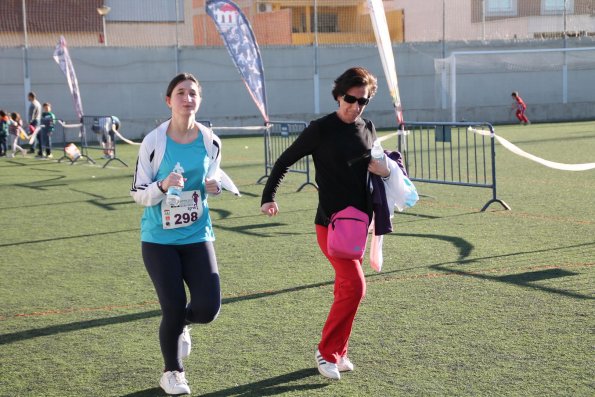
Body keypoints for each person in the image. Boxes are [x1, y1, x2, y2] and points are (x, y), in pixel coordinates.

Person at [260, 66, 390, 380]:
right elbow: (284, 160)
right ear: (338, 95)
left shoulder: (368, 127)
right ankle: (326, 352)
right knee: (356, 288)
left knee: (346, 288)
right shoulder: (321, 129)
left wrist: (383, 170)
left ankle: (339, 352)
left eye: (363, 101)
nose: (356, 105)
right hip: (331, 225)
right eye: (350, 98)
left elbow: (379, 169)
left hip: (359, 224)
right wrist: (269, 196)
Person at [130, 72, 224, 396]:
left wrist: (215, 187)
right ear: (169, 100)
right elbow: (138, 193)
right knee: (173, 306)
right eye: (180, 93)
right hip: (159, 240)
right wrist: (162, 185)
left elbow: (212, 181)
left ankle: (182, 325)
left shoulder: (211, 140)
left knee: (208, 308)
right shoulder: (154, 142)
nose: (187, 99)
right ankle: (172, 372)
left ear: (199, 99)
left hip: (198, 236)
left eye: (193, 93)